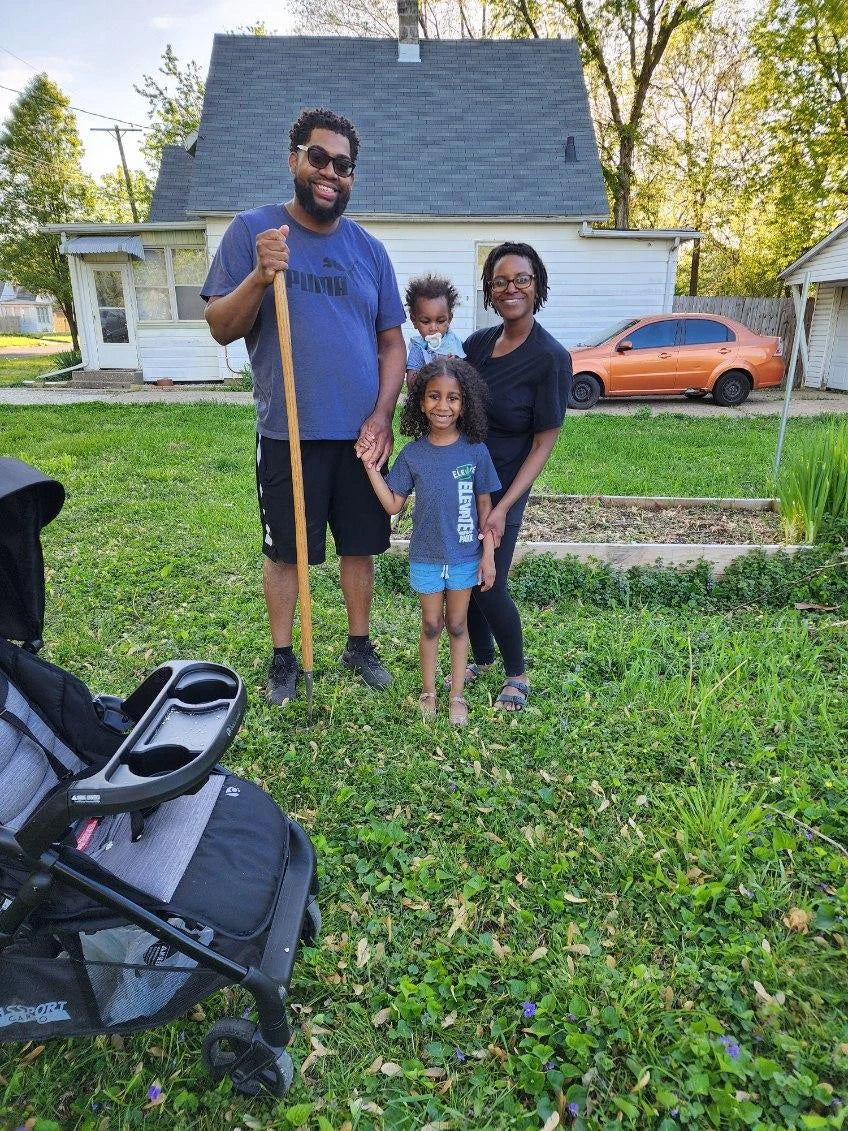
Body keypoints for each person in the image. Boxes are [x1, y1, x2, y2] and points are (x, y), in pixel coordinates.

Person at [202, 107, 407, 707]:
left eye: (344, 166)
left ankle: (359, 645)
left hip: (360, 438)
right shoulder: (255, 232)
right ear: (293, 157)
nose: (331, 173)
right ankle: (284, 657)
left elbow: (391, 341)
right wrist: (261, 278)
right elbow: (220, 325)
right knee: (286, 550)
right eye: (319, 158)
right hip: (287, 431)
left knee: (361, 545)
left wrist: (382, 416)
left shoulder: (368, 250)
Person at [357, 358, 499, 727]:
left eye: (453, 398)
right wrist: (371, 467)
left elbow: (486, 510)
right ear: (421, 402)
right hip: (426, 558)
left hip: (466, 556)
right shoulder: (413, 454)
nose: (443, 406)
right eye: (434, 396)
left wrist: (488, 557)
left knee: (456, 624)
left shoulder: (476, 451)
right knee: (431, 624)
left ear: (464, 404)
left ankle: (456, 695)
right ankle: (428, 692)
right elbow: (392, 503)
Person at [461, 242, 572, 712]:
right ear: (490, 289)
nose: (512, 288)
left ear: (537, 286)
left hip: (505, 485)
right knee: (465, 575)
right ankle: (482, 657)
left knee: (490, 579)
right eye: (501, 281)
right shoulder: (477, 345)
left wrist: (505, 507)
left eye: (522, 279)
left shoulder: (550, 357)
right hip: (465, 478)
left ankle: (516, 672)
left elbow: (544, 441)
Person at [405, 274, 465, 386]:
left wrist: (455, 367)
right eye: (425, 321)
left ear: (449, 319)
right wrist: (435, 369)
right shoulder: (419, 349)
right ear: (414, 321)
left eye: (441, 321)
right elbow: (411, 384)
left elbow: (466, 378)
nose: (433, 328)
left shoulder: (455, 344)